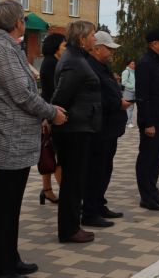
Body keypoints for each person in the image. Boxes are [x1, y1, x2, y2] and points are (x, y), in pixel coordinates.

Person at [0, 0, 67, 277]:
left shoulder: (10, 46)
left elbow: (23, 89)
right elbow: (21, 93)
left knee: (11, 207)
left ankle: (10, 256)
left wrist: (43, 114)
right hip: (6, 141)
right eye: (23, 18)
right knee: (3, 209)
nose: (24, 21)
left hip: (15, 140)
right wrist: (51, 112)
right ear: (17, 21)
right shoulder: (2, 50)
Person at [51, 20, 101, 244]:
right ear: (82, 39)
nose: (95, 39)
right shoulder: (74, 62)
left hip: (79, 127)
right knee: (72, 180)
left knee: (75, 179)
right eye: (92, 35)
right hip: (73, 130)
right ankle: (69, 229)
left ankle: (72, 226)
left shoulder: (77, 58)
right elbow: (61, 98)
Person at [82, 31, 130, 227]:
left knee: (104, 169)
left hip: (109, 128)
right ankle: (90, 212)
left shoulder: (102, 66)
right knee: (96, 171)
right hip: (100, 128)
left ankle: (99, 204)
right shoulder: (90, 67)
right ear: (97, 48)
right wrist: (117, 104)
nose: (111, 52)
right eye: (108, 48)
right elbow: (96, 97)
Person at [135, 30, 159, 211]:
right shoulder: (145, 64)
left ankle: (154, 192)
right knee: (147, 158)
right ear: (153, 44)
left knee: (157, 159)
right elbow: (143, 96)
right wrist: (148, 123)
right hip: (151, 121)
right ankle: (146, 196)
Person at [38, 33, 66, 206]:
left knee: (48, 152)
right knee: (56, 154)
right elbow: (52, 91)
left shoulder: (52, 62)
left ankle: (47, 190)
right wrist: (48, 117)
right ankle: (68, 194)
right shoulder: (51, 63)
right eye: (64, 46)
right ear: (56, 47)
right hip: (51, 113)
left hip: (50, 112)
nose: (66, 49)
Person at [122, 60, 136, 128]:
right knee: (128, 107)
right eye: (132, 64)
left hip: (134, 92)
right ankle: (128, 122)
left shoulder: (134, 72)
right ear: (128, 65)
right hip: (128, 91)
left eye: (134, 64)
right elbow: (123, 82)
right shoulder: (126, 72)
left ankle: (128, 121)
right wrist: (132, 86)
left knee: (131, 107)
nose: (134, 65)